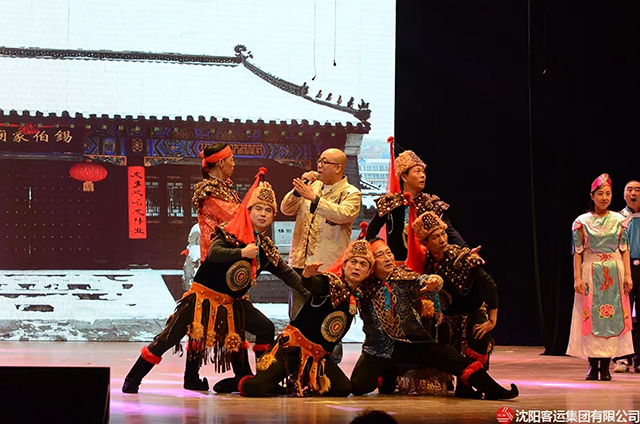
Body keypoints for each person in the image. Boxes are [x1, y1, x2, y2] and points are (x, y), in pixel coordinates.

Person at [122, 173, 310, 394]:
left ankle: (262, 380)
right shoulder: (230, 232)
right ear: (248, 211)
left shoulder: (265, 248)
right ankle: (133, 378)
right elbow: (214, 253)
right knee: (169, 338)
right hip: (202, 298)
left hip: (232, 304)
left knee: (265, 327)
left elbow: (287, 274)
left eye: (268, 210)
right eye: (258, 208)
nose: (263, 214)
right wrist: (242, 252)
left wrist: (310, 292)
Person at [350, 238, 519, 400]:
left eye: (389, 253)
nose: (387, 258)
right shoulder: (363, 286)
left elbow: (422, 280)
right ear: (371, 262)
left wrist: (435, 281)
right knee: (358, 385)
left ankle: (493, 389)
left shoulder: (402, 278)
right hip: (378, 348)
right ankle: (387, 374)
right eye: (380, 255)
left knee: (449, 356)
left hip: (412, 343)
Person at [239, 240, 374, 397]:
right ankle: (238, 382)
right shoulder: (331, 283)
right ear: (344, 265)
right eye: (353, 262)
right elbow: (315, 284)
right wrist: (308, 276)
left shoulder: (357, 296)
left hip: (316, 358)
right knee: (256, 388)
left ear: (368, 272)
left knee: (343, 388)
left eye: (363, 264)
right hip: (292, 349)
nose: (357, 267)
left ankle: (302, 380)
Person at [281, 148, 362, 361]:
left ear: (338, 168)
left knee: (328, 319)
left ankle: (329, 367)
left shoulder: (351, 193)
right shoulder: (313, 186)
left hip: (329, 269)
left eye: (325, 162)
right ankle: (295, 364)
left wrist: (314, 198)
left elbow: (343, 214)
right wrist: (299, 190)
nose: (319, 165)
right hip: (300, 264)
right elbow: (286, 209)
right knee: (297, 317)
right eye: (319, 160)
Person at [175, 143, 241, 390]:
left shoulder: (225, 188)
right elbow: (236, 217)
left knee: (231, 316)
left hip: (228, 261)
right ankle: (192, 374)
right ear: (221, 162)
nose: (234, 163)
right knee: (204, 320)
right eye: (231, 159)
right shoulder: (209, 191)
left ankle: (239, 373)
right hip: (216, 263)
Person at [414, 211, 498, 398]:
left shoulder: (463, 258)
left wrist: (492, 320)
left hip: (472, 312)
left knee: (478, 332)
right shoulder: (426, 262)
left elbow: (490, 285)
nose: (442, 239)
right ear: (425, 243)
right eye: (435, 237)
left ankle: (474, 383)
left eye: (443, 234)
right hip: (447, 317)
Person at [567, 173, 634, 381]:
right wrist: (577, 278)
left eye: (608, 193)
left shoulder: (620, 220)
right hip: (590, 272)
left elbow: (624, 249)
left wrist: (628, 274)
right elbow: (578, 252)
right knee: (590, 316)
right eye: (600, 194)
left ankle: (605, 366)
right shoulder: (581, 222)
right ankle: (592, 365)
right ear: (592, 196)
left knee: (612, 318)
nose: (604, 197)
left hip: (614, 272)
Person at [366, 149, 467, 262]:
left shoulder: (431, 204)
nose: (422, 175)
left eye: (423, 172)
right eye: (417, 171)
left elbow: (450, 232)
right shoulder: (390, 203)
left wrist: (467, 249)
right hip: (397, 265)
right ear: (404, 177)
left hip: (426, 265)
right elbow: (370, 234)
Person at [613, 180, 640, 372]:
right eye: (629, 190)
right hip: (623, 268)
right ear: (624, 195)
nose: (633, 193)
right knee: (623, 314)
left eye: (638, 190)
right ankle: (622, 357)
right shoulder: (617, 218)